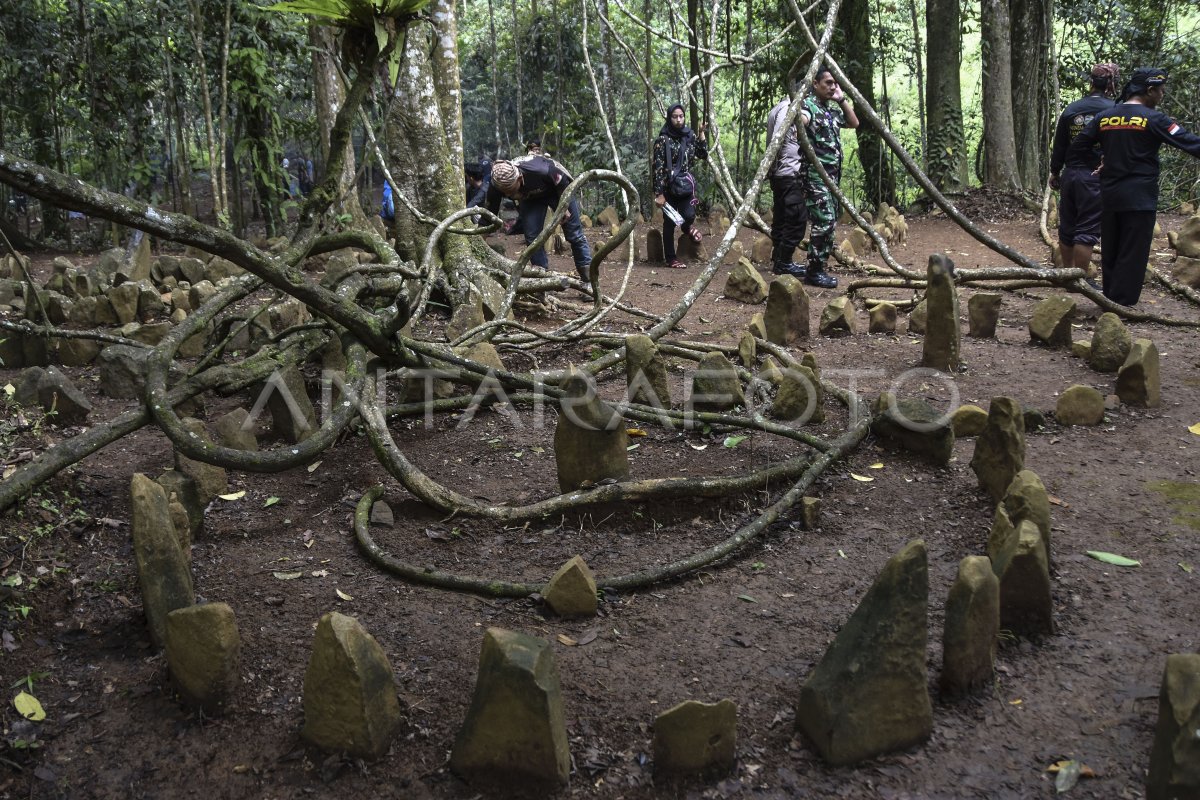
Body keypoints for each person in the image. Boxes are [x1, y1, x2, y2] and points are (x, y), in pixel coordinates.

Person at [1067, 67, 1200, 306]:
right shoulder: (1155, 119)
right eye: (1160, 91)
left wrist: (1101, 160)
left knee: (1112, 247)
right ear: (1149, 90)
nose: (1162, 96)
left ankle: (1109, 300)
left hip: (1109, 194)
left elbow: (1077, 147)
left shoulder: (1105, 117)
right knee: (1133, 251)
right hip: (1140, 197)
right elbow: (1191, 143)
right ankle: (1123, 305)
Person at [1049, 63, 1120, 276]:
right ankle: (1079, 280)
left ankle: (1067, 274)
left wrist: (1055, 171)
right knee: (1086, 230)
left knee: (1068, 228)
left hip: (1070, 174)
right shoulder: (1115, 110)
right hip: (1094, 176)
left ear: (1091, 82)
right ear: (1112, 83)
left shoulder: (1072, 109)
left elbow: (1060, 143)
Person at [485, 155, 593, 286]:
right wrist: (480, 239)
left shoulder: (542, 170)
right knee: (533, 239)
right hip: (530, 198)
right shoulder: (496, 186)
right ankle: (542, 283)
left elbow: (564, 182)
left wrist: (564, 206)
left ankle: (589, 281)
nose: (508, 195)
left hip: (556, 190)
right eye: (505, 193)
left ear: (519, 178)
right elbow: (488, 216)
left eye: (511, 190)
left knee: (574, 234)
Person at [799, 68, 859, 289]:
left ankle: (819, 267)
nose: (832, 86)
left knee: (830, 220)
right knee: (823, 220)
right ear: (815, 84)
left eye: (835, 83)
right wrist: (801, 121)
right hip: (815, 176)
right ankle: (814, 270)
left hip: (832, 178)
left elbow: (854, 123)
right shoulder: (808, 106)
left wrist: (842, 99)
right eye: (828, 82)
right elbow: (801, 121)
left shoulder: (830, 110)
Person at [651, 104, 708, 269]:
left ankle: (686, 227)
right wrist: (659, 193)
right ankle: (671, 258)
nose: (678, 119)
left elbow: (702, 154)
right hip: (669, 187)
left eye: (681, 116)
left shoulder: (689, 135)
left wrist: (701, 133)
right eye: (674, 116)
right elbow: (657, 168)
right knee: (669, 223)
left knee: (689, 215)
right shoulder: (662, 140)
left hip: (685, 187)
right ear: (669, 118)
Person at [765, 92, 809, 278]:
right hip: (787, 172)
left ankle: (779, 258)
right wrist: (773, 167)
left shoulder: (780, 107)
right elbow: (777, 139)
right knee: (796, 217)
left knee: (782, 216)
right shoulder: (786, 109)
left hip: (782, 172)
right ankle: (784, 262)